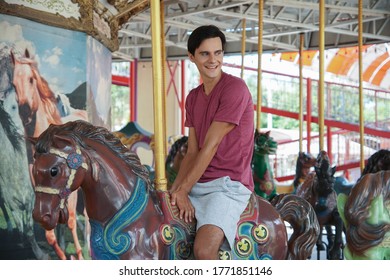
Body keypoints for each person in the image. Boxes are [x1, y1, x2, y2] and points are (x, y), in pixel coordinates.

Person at [169, 25, 255, 260]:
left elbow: (211, 146)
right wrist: (175, 190)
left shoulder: (235, 89)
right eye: (205, 53)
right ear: (192, 57)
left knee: (203, 251)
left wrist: (185, 188)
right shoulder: (193, 97)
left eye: (218, 53)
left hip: (228, 186)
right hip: (199, 183)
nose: (213, 60)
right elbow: (192, 151)